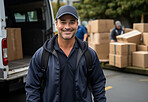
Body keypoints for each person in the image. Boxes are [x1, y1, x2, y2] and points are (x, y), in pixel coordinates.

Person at [25, 5, 106, 102]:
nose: (67, 27)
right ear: (56, 24)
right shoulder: (42, 55)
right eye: (63, 22)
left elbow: (98, 84)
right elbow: (32, 87)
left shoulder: (89, 54)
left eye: (71, 22)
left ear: (77, 24)